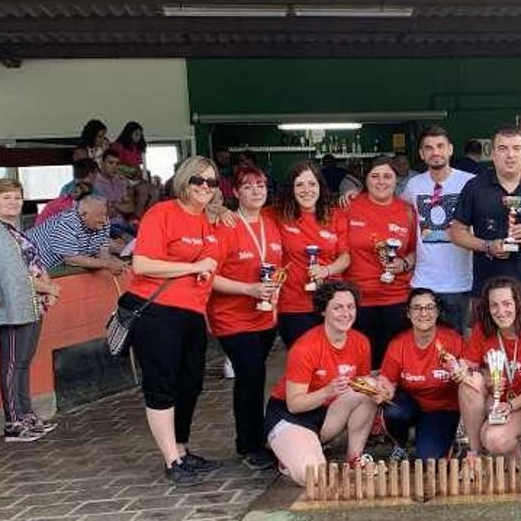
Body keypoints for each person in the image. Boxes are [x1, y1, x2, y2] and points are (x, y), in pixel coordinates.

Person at [451, 124, 521, 458]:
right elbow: (456, 232)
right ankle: (486, 420)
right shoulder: (476, 187)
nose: (510, 154)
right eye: (502, 148)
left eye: (516, 148)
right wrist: (487, 244)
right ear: (493, 152)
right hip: (488, 291)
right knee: (485, 360)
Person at [121, 156, 226, 486]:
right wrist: (192, 267)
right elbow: (142, 264)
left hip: (193, 313)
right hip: (157, 311)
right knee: (162, 384)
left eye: (211, 182)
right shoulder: (162, 213)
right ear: (184, 180)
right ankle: (171, 460)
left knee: (190, 384)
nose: (205, 188)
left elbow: (213, 271)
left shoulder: (210, 222)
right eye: (198, 180)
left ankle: (182, 448)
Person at [264, 281, 382, 485]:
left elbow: (360, 385)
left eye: (350, 307)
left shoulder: (361, 341)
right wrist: (327, 391)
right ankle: (288, 453)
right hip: (292, 417)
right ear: (323, 311)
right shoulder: (305, 347)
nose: (346, 313)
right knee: (313, 478)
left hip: (326, 416)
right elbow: (295, 404)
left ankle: (354, 458)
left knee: (369, 387)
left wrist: (380, 391)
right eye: (338, 307)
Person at [206, 165, 283, 471]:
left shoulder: (271, 221)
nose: (256, 191)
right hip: (231, 317)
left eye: (261, 186)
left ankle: (255, 437)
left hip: (265, 317)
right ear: (235, 192)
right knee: (251, 375)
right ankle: (249, 444)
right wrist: (248, 288)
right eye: (248, 187)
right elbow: (209, 276)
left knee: (254, 376)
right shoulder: (225, 225)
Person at [0, 178, 61, 443]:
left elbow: (31, 262)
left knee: (23, 362)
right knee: (12, 363)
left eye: (16, 197)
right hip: (10, 304)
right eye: (6, 198)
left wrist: (46, 287)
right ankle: (13, 421)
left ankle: (26, 414)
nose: (13, 203)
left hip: (30, 302)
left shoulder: (14, 229)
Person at [458, 277, 521, 460]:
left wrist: (510, 405)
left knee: (494, 439)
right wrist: (468, 372)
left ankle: (512, 454)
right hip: (490, 402)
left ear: (518, 304)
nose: (501, 311)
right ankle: (475, 454)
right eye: (494, 305)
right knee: (469, 382)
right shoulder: (482, 330)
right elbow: (467, 366)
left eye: (507, 304)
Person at [375, 288, 467, 461]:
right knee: (394, 412)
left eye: (429, 307)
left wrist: (461, 373)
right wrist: (382, 390)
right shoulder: (398, 344)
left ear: (438, 311)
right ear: (409, 313)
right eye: (417, 308)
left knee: (429, 459)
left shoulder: (452, 339)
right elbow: (387, 380)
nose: (423, 313)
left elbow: (467, 372)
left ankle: (445, 438)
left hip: (443, 408)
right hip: (411, 404)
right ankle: (400, 445)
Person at [401, 126, 476, 335]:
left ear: (450, 149)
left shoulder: (470, 182)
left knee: (458, 344)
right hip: (423, 281)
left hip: (459, 282)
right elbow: (400, 219)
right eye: (429, 148)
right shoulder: (413, 185)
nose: (435, 152)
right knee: (424, 342)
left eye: (440, 146)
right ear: (422, 154)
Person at [346, 157, 417, 369]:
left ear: (397, 180)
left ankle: (389, 402)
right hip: (358, 299)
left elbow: (415, 251)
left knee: (392, 363)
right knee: (361, 363)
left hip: (395, 299)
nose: (381, 181)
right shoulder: (349, 206)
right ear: (365, 180)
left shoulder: (407, 211)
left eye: (388, 176)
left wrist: (403, 264)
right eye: (375, 176)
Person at [275, 161, 351, 348]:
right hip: (294, 305)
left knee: (331, 363)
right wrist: (218, 209)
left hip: (331, 302)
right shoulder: (277, 215)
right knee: (302, 363)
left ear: (320, 186)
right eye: (299, 184)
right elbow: (248, 213)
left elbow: (346, 257)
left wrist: (326, 270)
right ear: (290, 189)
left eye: (312, 183)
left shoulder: (336, 215)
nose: (306, 190)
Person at [26, 196, 125, 274]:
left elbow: (101, 249)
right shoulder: (66, 224)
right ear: (84, 215)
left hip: (52, 270)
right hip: (28, 265)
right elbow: (72, 259)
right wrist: (107, 264)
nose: (104, 220)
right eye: (99, 215)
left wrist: (114, 262)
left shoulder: (103, 222)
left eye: (105, 214)